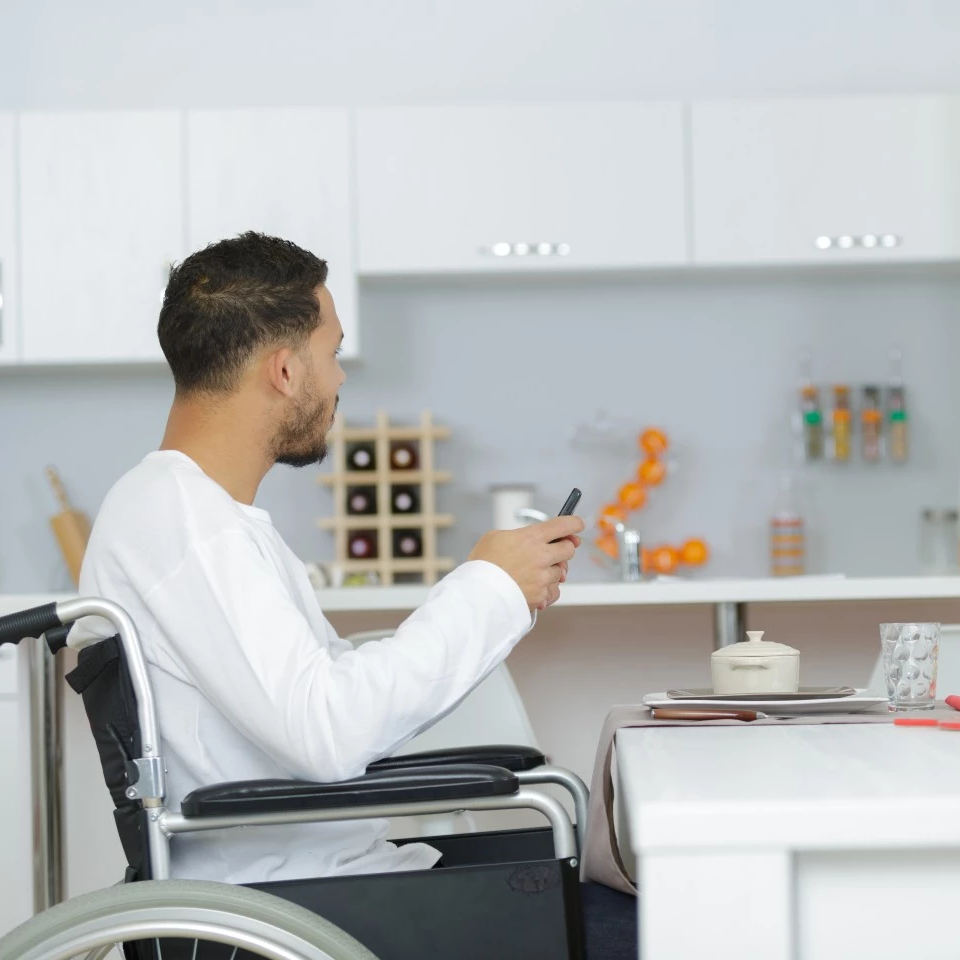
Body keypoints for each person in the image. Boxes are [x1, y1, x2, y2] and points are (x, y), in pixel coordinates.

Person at [73, 232, 634, 955]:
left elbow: (331, 707)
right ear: (283, 369)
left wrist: (498, 590)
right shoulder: (188, 524)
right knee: (658, 924)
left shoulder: (195, 513)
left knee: (600, 884)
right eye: (332, 353)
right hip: (293, 911)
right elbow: (330, 730)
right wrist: (491, 585)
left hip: (318, 881)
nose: (339, 379)